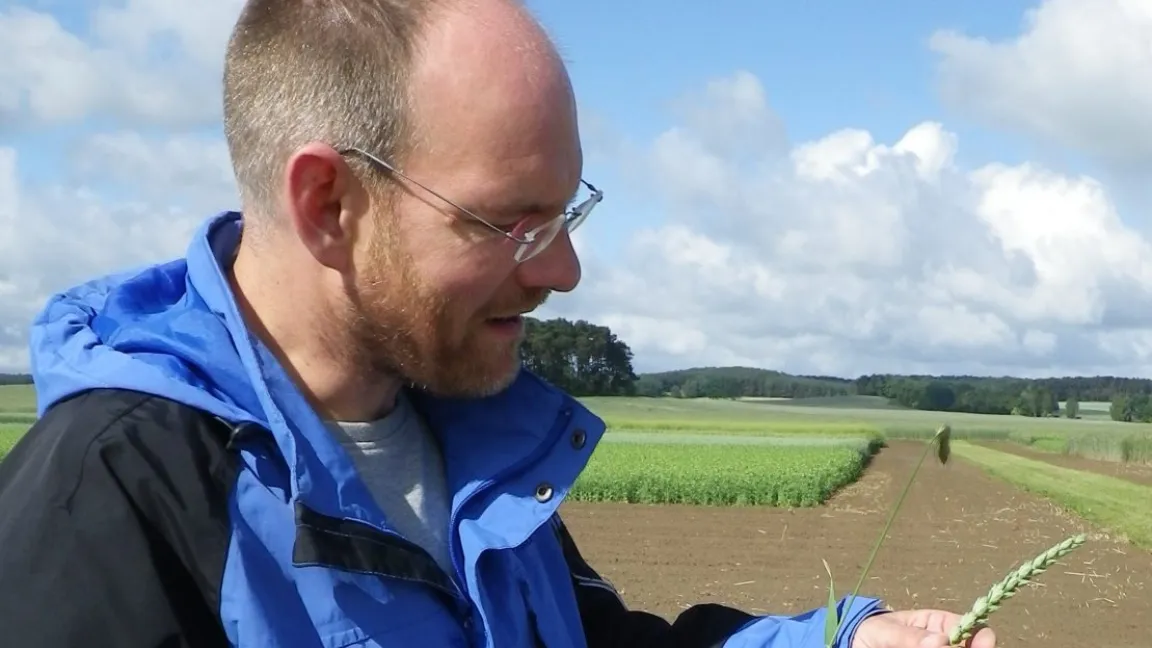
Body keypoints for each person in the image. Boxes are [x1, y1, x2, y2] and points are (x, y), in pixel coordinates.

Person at [0, 1, 997, 647]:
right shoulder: (110, 506)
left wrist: (832, 642)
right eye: (510, 224)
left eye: (567, 214)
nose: (563, 272)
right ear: (328, 206)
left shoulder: (467, 434)